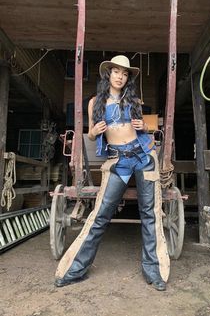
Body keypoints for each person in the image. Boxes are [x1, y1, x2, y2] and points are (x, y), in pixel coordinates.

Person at [54, 55, 170, 291]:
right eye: (116, 71)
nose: (120, 76)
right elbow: (92, 136)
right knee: (100, 216)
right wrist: (94, 131)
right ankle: (74, 270)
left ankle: (154, 272)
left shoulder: (134, 101)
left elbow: (147, 128)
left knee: (150, 214)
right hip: (118, 161)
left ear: (128, 78)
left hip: (144, 157)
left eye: (125, 73)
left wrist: (144, 126)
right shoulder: (95, 102)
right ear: (108, 74)